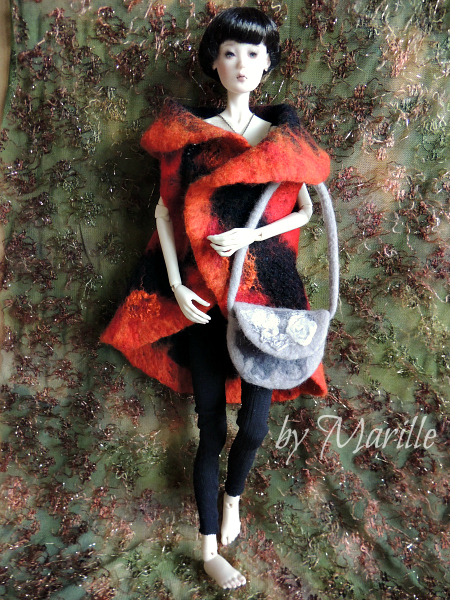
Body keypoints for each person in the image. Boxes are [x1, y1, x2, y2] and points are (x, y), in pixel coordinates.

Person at [101, 6, 331, 589]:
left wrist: (251, 236)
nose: (241, 64)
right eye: (230, 53)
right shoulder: (191, 138)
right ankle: (208, 549)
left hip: (265, 298)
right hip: (202, 298)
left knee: (254, 424)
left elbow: (306, 209)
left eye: (253, 53)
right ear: (214, 63)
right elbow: (164, 212)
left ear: (268, 62)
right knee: (211, 427)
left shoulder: (282, 141)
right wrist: (177, 285)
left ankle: (233, 496)